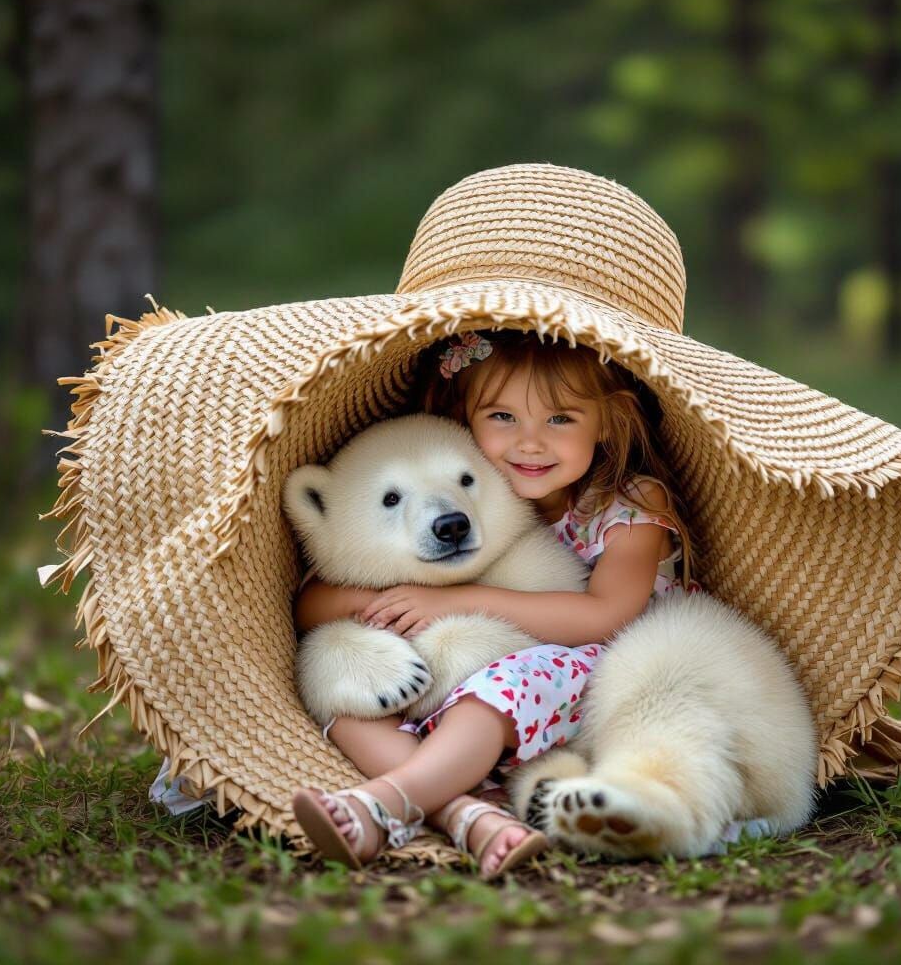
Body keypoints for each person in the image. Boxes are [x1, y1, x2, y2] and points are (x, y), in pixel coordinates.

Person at [291, 328, 700, 878]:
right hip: (501, 687)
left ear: (607, 420)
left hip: (609, 670)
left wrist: (456, 599)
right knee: (347, 703)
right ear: (466, 422)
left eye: (560, 419)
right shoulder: (473, 485)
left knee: (491, 694)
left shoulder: (631, 501)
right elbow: (312, 604)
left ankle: (388, 803)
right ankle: (469, 817)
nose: (530, 443)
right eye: (503, 418)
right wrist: (396, 603)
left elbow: (607, 617)